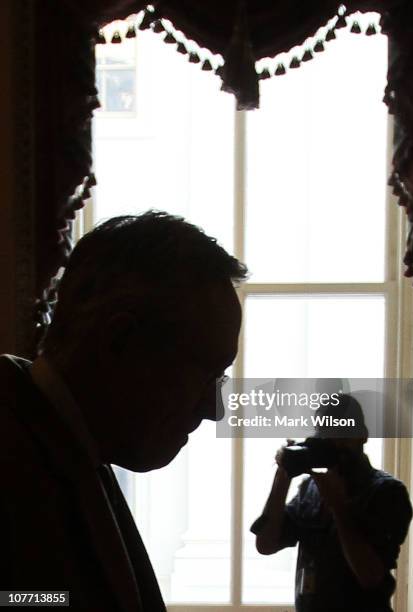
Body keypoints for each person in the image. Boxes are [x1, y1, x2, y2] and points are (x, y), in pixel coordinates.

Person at [0, 211, 247, 611]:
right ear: (118, 340)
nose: (213, 409)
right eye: (204, 373)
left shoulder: (73, 448)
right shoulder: (17, 455)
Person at [251, 395, 413, 612]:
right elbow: (266, 544)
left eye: (344, 435)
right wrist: (283, 476)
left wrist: (339, 508)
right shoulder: (312, 488)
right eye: (328, 436)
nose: (336, 445)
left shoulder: (387, 492)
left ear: (363, 435)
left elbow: (370, 576)